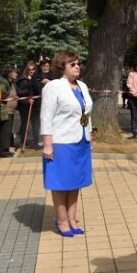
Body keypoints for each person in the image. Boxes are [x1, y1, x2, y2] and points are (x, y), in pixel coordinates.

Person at [40, 51, 93, 238]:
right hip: (61, 143)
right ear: (62, 67)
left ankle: (72, 219)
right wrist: (47, 144)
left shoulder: (82, 86)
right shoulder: (54, 87)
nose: (77, 66)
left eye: (78, 63)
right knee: (61, 184)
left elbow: (86, 114)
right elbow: (46, 117)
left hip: (81, 141)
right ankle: (61, 221)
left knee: (75, 183)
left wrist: (90, 137)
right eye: (72, 64)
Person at [16, 62, 39, 149]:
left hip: (35, 105)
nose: (31, 71)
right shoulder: (23, 80)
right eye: (30, 69)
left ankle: (36, 142)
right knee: (25, 124)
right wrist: (29, 89)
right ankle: (22, 142)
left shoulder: (37, 79)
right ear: (27, 70)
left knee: (35, 124)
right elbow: (19, 92)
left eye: (33, 69)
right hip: (25, 105)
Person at [0, 66, 19, 157]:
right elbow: (1, 94)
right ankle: (3, 151)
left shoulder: (11, 82)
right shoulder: (4, 82)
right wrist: (9, 98)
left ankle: (6, 149)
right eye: (15, 72)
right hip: (5, 110)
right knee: (5, 130)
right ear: (9, 73)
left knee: (8, 130)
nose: (17, 74)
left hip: (10, 110)